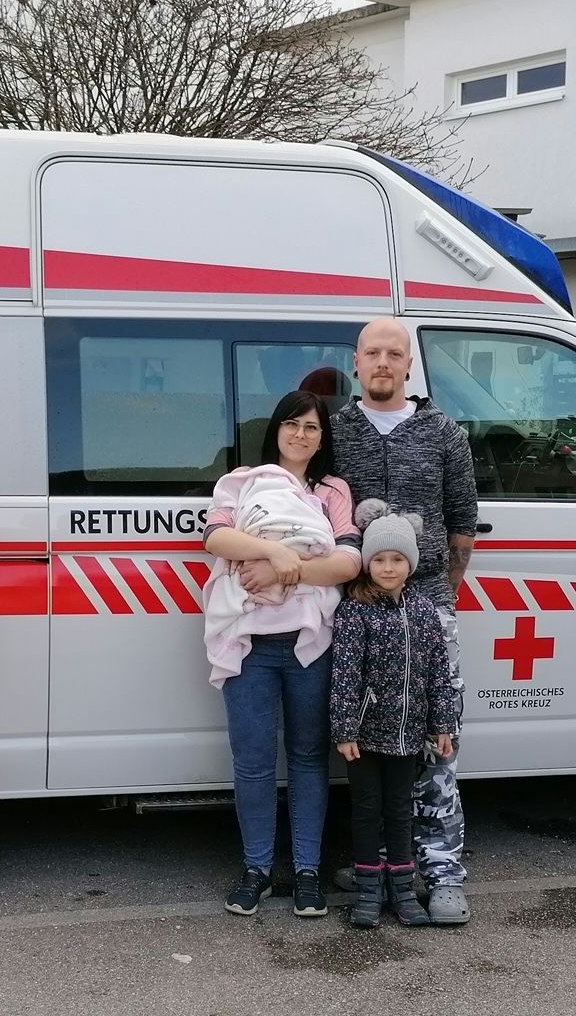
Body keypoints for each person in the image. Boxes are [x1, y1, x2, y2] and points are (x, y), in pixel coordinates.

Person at [322, 318, 478, 925]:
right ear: (355, 362)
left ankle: (440, 872)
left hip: (428, 601)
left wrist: (440, 598)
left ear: (408, 364)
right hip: (355, 606)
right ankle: (382, 862)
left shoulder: (443, 432)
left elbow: (462, 522)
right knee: (367, 739)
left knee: (436, 744)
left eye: (395, 353)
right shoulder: (336, 432)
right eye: (372, 353)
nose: (383, 362)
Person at [203, 389, 362, 918]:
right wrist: (271, 549)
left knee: (309, 759)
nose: (301, 434)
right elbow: (217, 539)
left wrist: (278, 569)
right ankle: (256, 869)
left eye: (313, 428)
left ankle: (308, 872)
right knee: (251, 762)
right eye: (293, 424)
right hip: (249, 644)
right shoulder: (245, 481)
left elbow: (347, 563)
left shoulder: (334, 491)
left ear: (323, 439)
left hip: (308, 646)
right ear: (277, 429)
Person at [329, 502, 459, 929]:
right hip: (364, 738)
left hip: (409, 735)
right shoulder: (354, 609)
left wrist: (442, 724)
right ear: (367, 563)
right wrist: (345, 729)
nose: (388, 567)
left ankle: (402, 890)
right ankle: (368, 889)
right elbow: (345, 673)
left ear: (411, 564)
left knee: (401, 809)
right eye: (380, 559)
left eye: (397, 559)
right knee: (367, 809)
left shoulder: (423, 610)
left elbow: (439, 670)